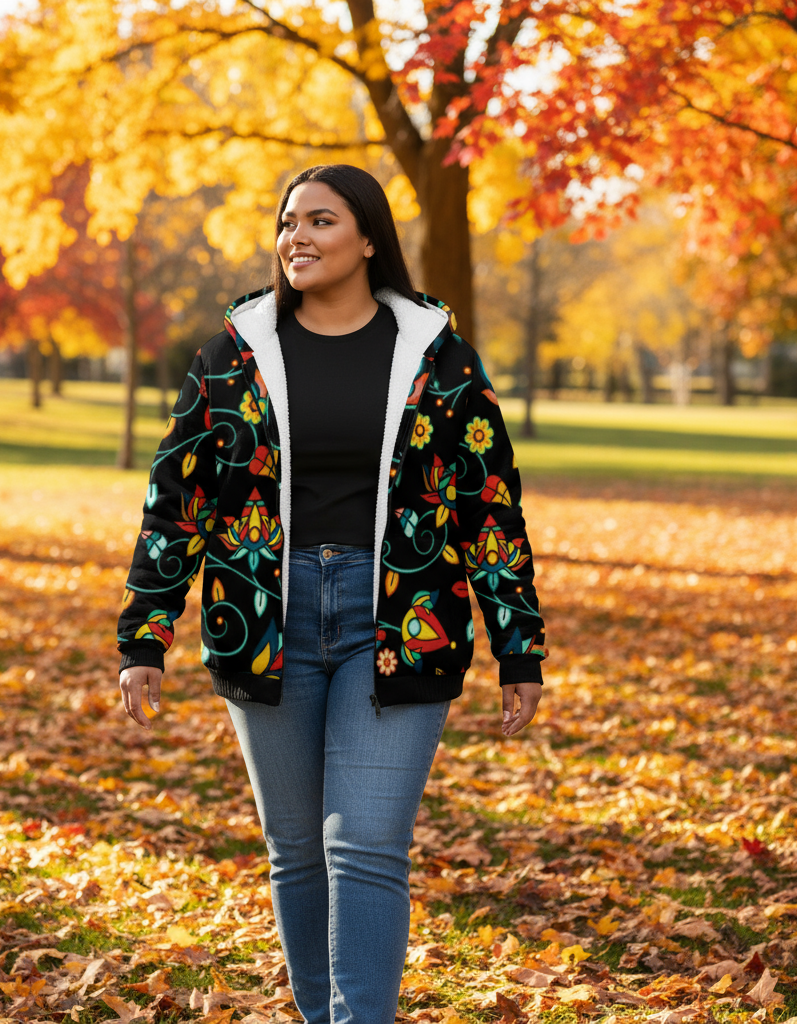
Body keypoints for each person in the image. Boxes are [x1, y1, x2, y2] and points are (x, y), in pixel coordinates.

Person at [117, 164, 546, 1024]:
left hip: (401, 620)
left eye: (320, 220)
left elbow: (489, 505)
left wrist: (518, 646)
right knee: (297, 851)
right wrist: (145, 634)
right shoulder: (234, 353)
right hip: (262, 616)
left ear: (369, 239)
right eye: (288, 221)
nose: (297, 236)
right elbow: (178, 498)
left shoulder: (441, 359)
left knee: (368, 846)